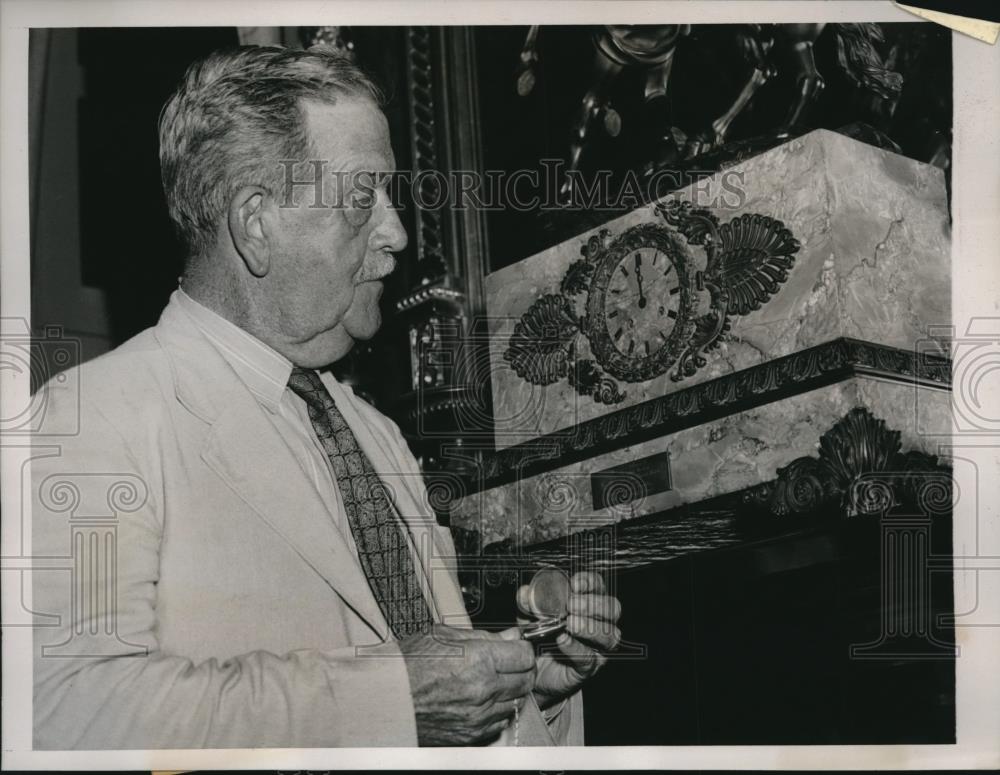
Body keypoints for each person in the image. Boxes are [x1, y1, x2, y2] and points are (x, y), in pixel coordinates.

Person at [31, 44, 621, 749]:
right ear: (257, 224)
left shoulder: (375, 433)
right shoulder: (92, 418)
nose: (397, 234)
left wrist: (525, 695)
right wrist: (390, 700)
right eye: (362, 199)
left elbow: (432, 704)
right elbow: (66, 714)